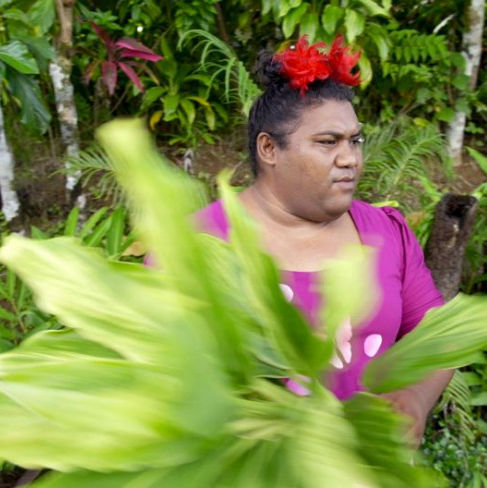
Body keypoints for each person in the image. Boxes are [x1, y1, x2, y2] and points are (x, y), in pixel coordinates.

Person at [193, 36, 453, 447]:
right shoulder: (200, 244)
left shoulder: (385, 232)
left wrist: (416, 399)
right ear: (269, 148)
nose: (350, 158)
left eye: (355, 141)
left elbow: (436, 335)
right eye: (328, 142)